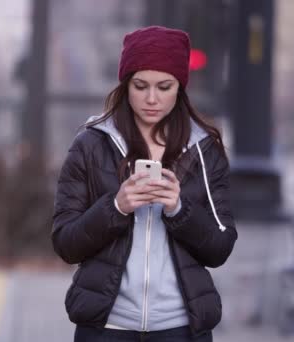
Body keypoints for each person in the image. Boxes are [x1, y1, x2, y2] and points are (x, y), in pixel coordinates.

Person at [52, 25, 237, 342]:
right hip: (106, 327)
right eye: (140, 86)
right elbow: (65, 243)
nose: (152, 99)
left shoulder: (205, 150)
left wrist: (179, 209)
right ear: (125, 86)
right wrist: (116, 207)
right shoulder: (91, 144)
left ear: (180, 87)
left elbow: (220, 248)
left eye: (164, 86)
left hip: (180, 328)